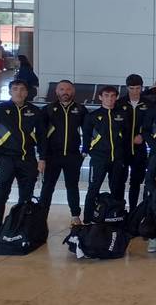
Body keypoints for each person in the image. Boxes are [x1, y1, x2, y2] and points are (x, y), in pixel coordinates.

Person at [39, 80, 88, 224]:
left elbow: (87, 132)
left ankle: (75, 215)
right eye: (61, 89)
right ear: (56, 91)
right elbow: (41, 135)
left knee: (72, 186)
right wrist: (42, 156)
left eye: (68, 89)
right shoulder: (48, 109)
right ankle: (41, 216)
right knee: (48, 186)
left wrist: (84, 151)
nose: (65, 92)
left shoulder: (80, 109)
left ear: (72, 91)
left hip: (73, 156)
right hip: (52, 155)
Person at [0, 80, 43, 225]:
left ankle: (20, 226)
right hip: (6, 159)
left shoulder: (35, 111)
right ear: (10, 92)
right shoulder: (0, 109)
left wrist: (42, 158)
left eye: (22, 89)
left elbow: (42, 137)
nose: (19, 92)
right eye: (15, 89)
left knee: (26, 196)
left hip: (27, 159)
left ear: (27, 93)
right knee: (1, 195)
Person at [82, 86, 129, 224]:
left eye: (113, 96)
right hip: (99, 159)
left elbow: (126, 136)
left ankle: (116, 217)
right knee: (93, 188)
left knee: (117, 189)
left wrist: (123, 155)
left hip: (118, 159)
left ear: (116, 97)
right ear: (100, 97)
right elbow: (86, 137)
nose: (110, 98)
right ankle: (88, 220)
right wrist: (88, 151)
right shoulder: (92, 116)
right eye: (107, 95)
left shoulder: (122, 115)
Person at [117, 74, 150, 210]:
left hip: (140, 149)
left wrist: (143, 136)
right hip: (122, 149)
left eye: (138, 88)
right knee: (119, 181)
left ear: (142, 88)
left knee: (136, 182)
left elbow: (152, 125)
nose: (135, 91)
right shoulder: (120, 103)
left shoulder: (148, 104)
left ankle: (133, 211)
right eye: (132, 88)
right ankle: (118, 210)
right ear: (127, 88)